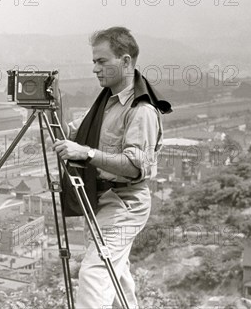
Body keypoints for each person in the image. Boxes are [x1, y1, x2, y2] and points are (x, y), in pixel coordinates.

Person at [52, 27, 171, 308]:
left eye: (102, 61)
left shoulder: (141, 111)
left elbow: (134, 166)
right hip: (103, 200)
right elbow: (72, 136)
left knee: (95, 273)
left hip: (125, 202)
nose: (95, 68)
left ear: (126, 61)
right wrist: (53, 102)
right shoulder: (106, 103)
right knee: (118, 280)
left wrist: (87, 153)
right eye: (94, 61)